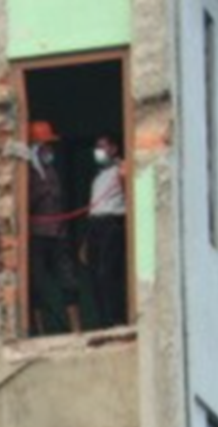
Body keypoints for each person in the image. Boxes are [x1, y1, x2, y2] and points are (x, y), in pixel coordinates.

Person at [21, 121, 83, 334]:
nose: (50, 149)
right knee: (36, 284)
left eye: (50, 145)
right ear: (35, 147)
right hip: (37, 235)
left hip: (58, 234)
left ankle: (76, 329)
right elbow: (24, 203)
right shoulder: (26, 172)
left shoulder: (52, 170)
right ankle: (41, 331)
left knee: (69, 281)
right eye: (45, 145)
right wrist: (41, 190)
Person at [85, 134, 129, 329]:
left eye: (103, 147)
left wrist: (123, 169)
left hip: (112, 223)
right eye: (97, 147)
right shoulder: (99, 175)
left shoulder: (122, 169)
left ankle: (115, 319)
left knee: (107, 273)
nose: (99, 151)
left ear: (114, 149)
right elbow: (94, 207)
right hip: (95, 226)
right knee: (94, 275)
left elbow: (129, 194)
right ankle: (103, 321)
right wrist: (86, 240)